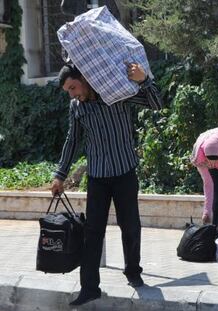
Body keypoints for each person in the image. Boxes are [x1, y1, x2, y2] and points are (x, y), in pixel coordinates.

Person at [51, 62, 162, 305]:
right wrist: (60, 174)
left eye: (73, 87)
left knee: (130, 226)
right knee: (92, 233)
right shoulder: (76, 107)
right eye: (68, 91)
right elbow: (73, 141)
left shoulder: (116, 92)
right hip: (98, 177)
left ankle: (133, 272)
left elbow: (156, 104)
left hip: (124, 172)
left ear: (84, 78)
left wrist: (144, 80)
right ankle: (90, 287)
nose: (72, 94)